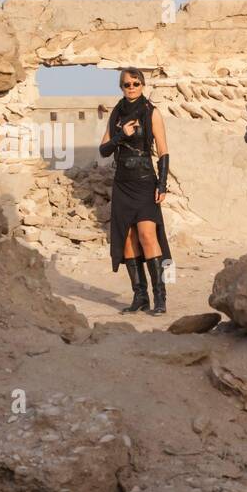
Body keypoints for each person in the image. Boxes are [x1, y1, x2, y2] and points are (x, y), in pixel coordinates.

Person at [98, 67, 171, 315]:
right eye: (127, 84)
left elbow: (163, 150)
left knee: (147, 235)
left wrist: (162, 184)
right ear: (121, 86)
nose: (131, 88)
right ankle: (140, 297)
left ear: (143, 85)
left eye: (136, 83)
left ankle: (159, 297)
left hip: (144, 182)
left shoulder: (152, 112)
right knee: (128, 238)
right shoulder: (116, 112)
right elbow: (104, 149)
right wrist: (121, 134)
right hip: (122, 182)